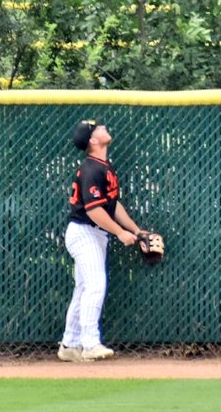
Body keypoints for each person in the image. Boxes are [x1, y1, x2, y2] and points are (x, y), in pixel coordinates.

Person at [58, 119, 145, 362]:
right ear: (93, 141)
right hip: (84, 231)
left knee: (84, 288)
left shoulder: (102, 167)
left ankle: (70, 344)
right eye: (97, 128)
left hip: (93, 232)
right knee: (95, 284)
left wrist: (136, 231)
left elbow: (112, 205)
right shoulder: (92, 169)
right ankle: (90, 344)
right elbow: (94, 210)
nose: (104, 127)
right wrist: (120, 232)